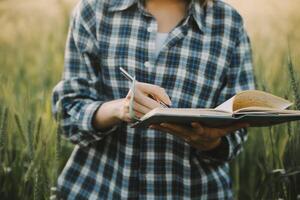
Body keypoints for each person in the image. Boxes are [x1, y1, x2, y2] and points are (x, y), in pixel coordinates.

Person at [52, 0, 255, 199]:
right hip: (100, 188)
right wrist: (119, 109)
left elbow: (236, 127)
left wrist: (211, 142)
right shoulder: (95, 10)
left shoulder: (229, 23)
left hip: (195, 190)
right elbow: (68, 112)